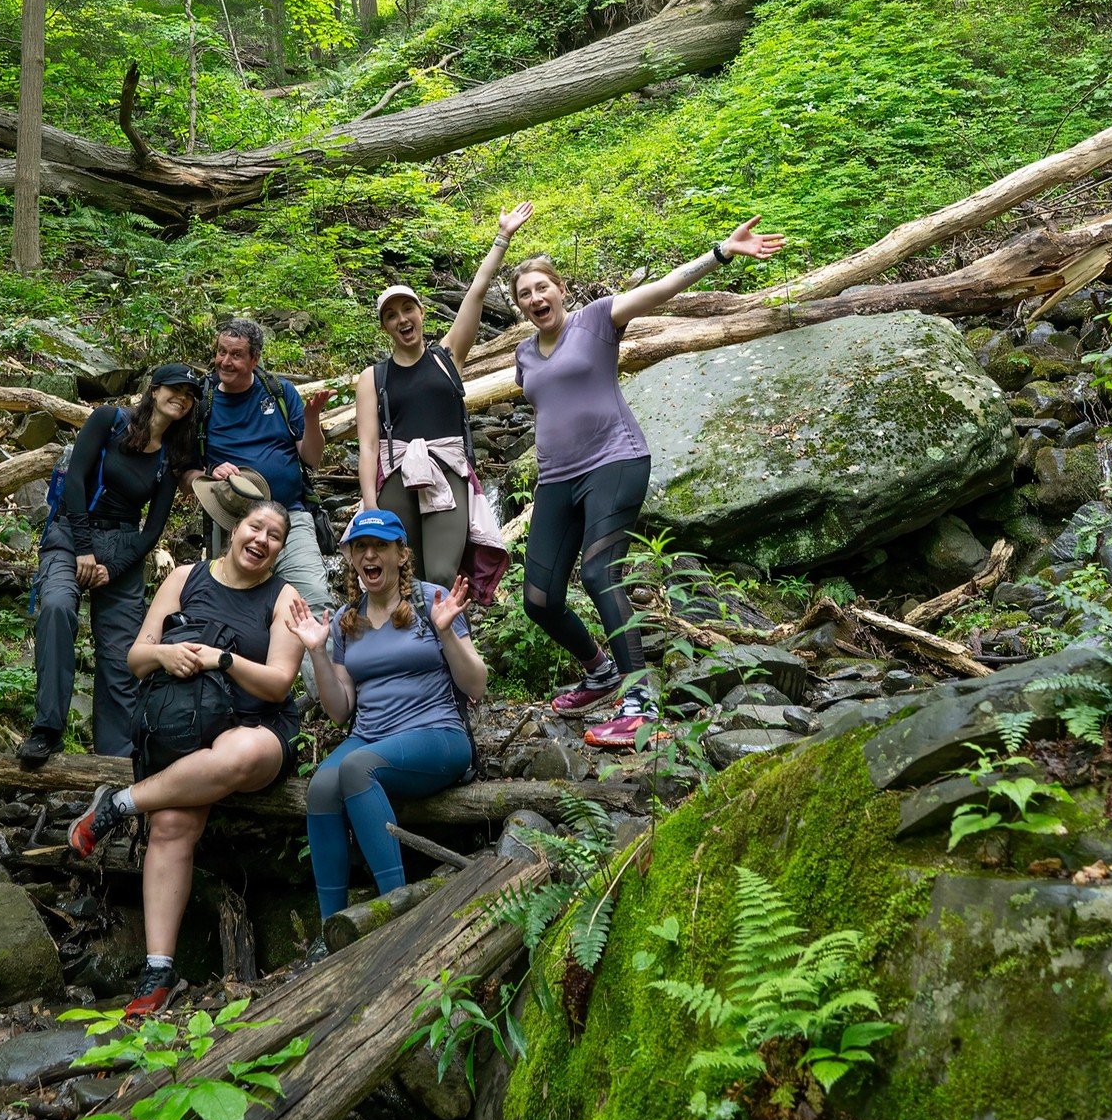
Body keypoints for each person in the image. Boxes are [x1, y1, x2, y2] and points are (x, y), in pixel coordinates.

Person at [513, 218, 785, 750]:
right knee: (539, 599)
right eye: (524, 293)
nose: (535, 297)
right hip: (555, 480)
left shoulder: (595, 320)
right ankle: (600, 674)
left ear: (561, 289)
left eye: (542, 286)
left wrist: (720, 252)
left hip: (615, 461)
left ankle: (640, 702)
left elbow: (662, 290)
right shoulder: (524, 355)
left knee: (598, 571)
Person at [67, 494, 307, 1016]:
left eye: (274, 537)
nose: (261, 540)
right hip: (185, 729)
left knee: (237, 757)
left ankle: (120, 804)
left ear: (280, 550)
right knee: (173, 824)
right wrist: (166, 654)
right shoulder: (184, 578)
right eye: (255, 527)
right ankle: (157, 972)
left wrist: (223, 660)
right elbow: (135, 658)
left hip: (255, 727)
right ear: (233, 527)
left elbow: (279, 683)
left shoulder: (284, 598)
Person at [290, 509, 486, 920]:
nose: (369, 554)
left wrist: (446, 630)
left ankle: (394, 914)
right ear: (351, 557)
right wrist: (316, 652)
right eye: (360, 546)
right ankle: (331, 928)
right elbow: (341, 710)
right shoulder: (348, 619)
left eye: (380, 545)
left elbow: (476, 685)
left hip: (438, 733)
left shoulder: (433, 601)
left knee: (357, 768)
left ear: (401, 554)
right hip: (371, 737)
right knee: (321, 788)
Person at [17, 364, 203, 769]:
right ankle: (47, 730)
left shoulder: (171, 457)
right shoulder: (109, 420)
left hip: (122, 548)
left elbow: (151, 530)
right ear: (154, 391)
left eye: (189, 395)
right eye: (176, 389)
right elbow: (79, 480)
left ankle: (114, 762)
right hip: (72, 535)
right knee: (57, 607)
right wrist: (84, 549)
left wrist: (112, 569)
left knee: (122, 655)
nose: (182, 398)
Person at [355, 204, 532, 589]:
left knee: (438, 575)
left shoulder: (448, 356)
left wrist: (503, 237)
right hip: (396, 476)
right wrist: (369, 505)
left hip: (448, 469)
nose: (402, 319)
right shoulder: (373, 378)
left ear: (421, 313)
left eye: (408, 309)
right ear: (385, 326)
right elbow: (368, 446)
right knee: (402, 578)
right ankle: (417, 648)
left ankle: (450, 642)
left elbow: (477, 291)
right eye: (392, 315)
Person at [186, 318, 333, 615]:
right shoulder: (202, 402)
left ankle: (316, 660)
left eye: (236, 354)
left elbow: (311, 459)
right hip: (231, 522)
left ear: (255, 359)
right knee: (231, 609)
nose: (225, 361)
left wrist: (312, 419)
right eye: (221, 352)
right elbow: (185, 471)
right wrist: (210, 474)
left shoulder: (278, 391)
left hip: (289, 514)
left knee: (313, 601)